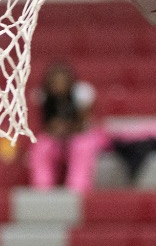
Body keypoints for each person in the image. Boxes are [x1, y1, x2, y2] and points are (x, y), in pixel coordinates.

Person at [29, 62, 106, 192]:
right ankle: (42, 187)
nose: (59, 85)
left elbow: (84, 124)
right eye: (55, 82)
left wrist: (66, 128)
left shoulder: (82, 95)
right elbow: (44, 126)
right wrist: (55, 129)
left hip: (81, 136)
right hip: (56, 139)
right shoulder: (43, 97)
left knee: (81, 146)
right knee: (42, 146)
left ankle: (78, 187)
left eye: (62, 81)